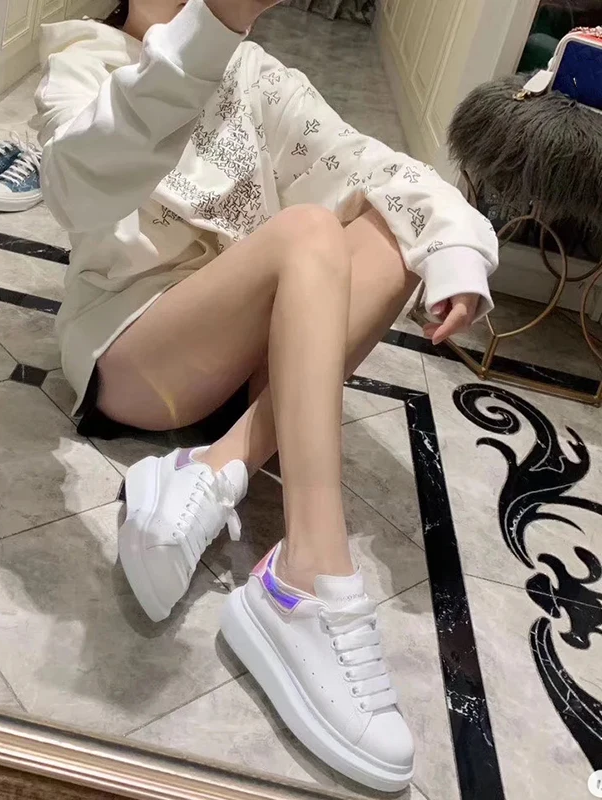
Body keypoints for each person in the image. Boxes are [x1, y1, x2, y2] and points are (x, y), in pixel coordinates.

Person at [32, 0, 498, 791]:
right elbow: (76, 190)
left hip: (247, 371)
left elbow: (380, 167)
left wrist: (456, 248)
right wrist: (210, 28)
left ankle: (218, 465)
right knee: (310, 230)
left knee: (390, 224)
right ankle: (305, 581)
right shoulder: (84, 61)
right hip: (135, 356)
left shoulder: (258, 75)